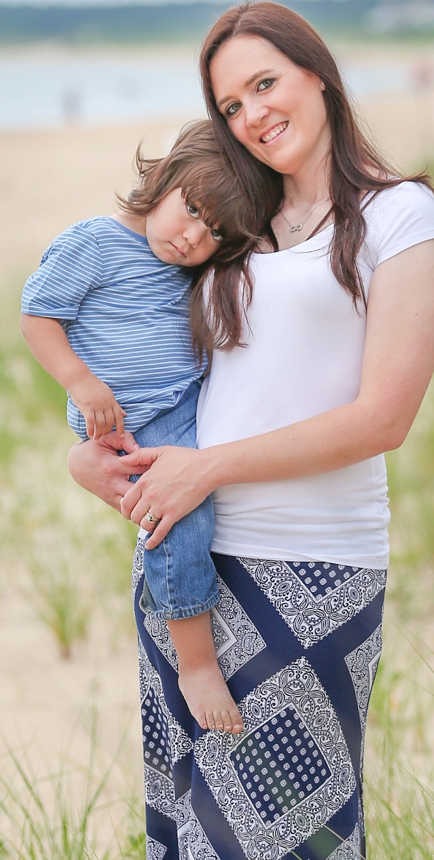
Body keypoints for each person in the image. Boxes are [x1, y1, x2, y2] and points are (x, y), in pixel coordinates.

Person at [70, 1, 434, 860]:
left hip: (318, 567)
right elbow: (160, 373)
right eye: (230, 102)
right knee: (210, 840)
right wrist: (100, 461)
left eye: (266, 84)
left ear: (320, 77)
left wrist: (211, 470)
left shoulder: (399, 219)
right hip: (191, 562)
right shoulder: (241, 230)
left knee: (294, 838)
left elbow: (381, 418)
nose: (252, 113)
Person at [20, 121, 260, 731]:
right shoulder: (93, 243)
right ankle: (196, 660)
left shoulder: (182, 265)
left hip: (187, 400)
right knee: (179, 518)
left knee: (203, 504)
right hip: (133, 419)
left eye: (214, 235)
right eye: (192, 210)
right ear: (163, 179)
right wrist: (80, 382)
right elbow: (39, 316)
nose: (192, 238)